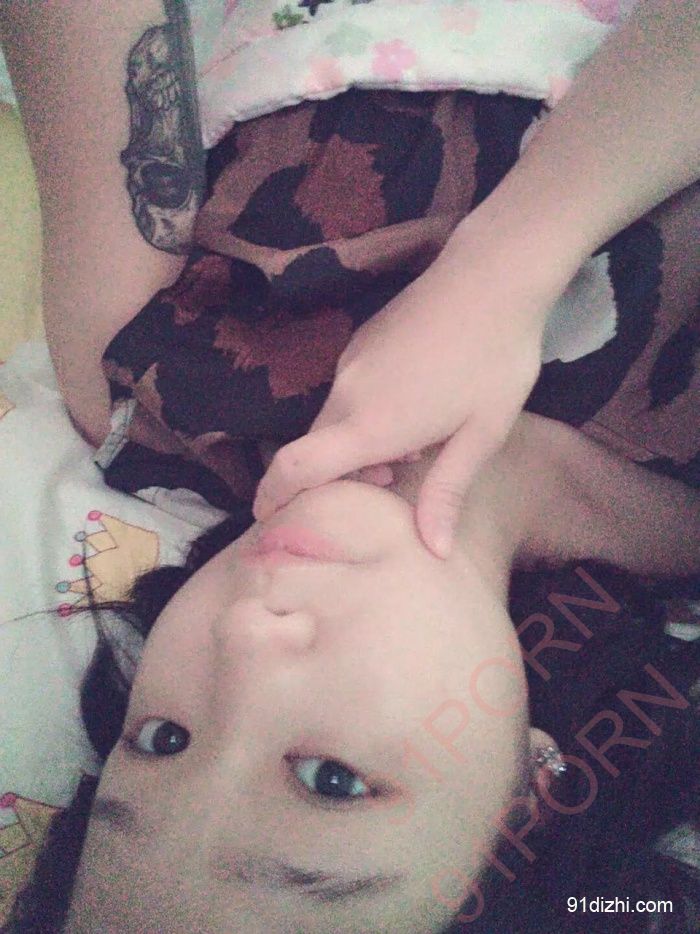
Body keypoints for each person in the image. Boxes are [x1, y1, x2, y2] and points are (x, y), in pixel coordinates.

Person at [1, 0, 698, 931]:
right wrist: (508, 261)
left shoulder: (148, 391)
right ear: (531, 797)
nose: (243, 643)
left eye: (163, 738)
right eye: (332, 780)